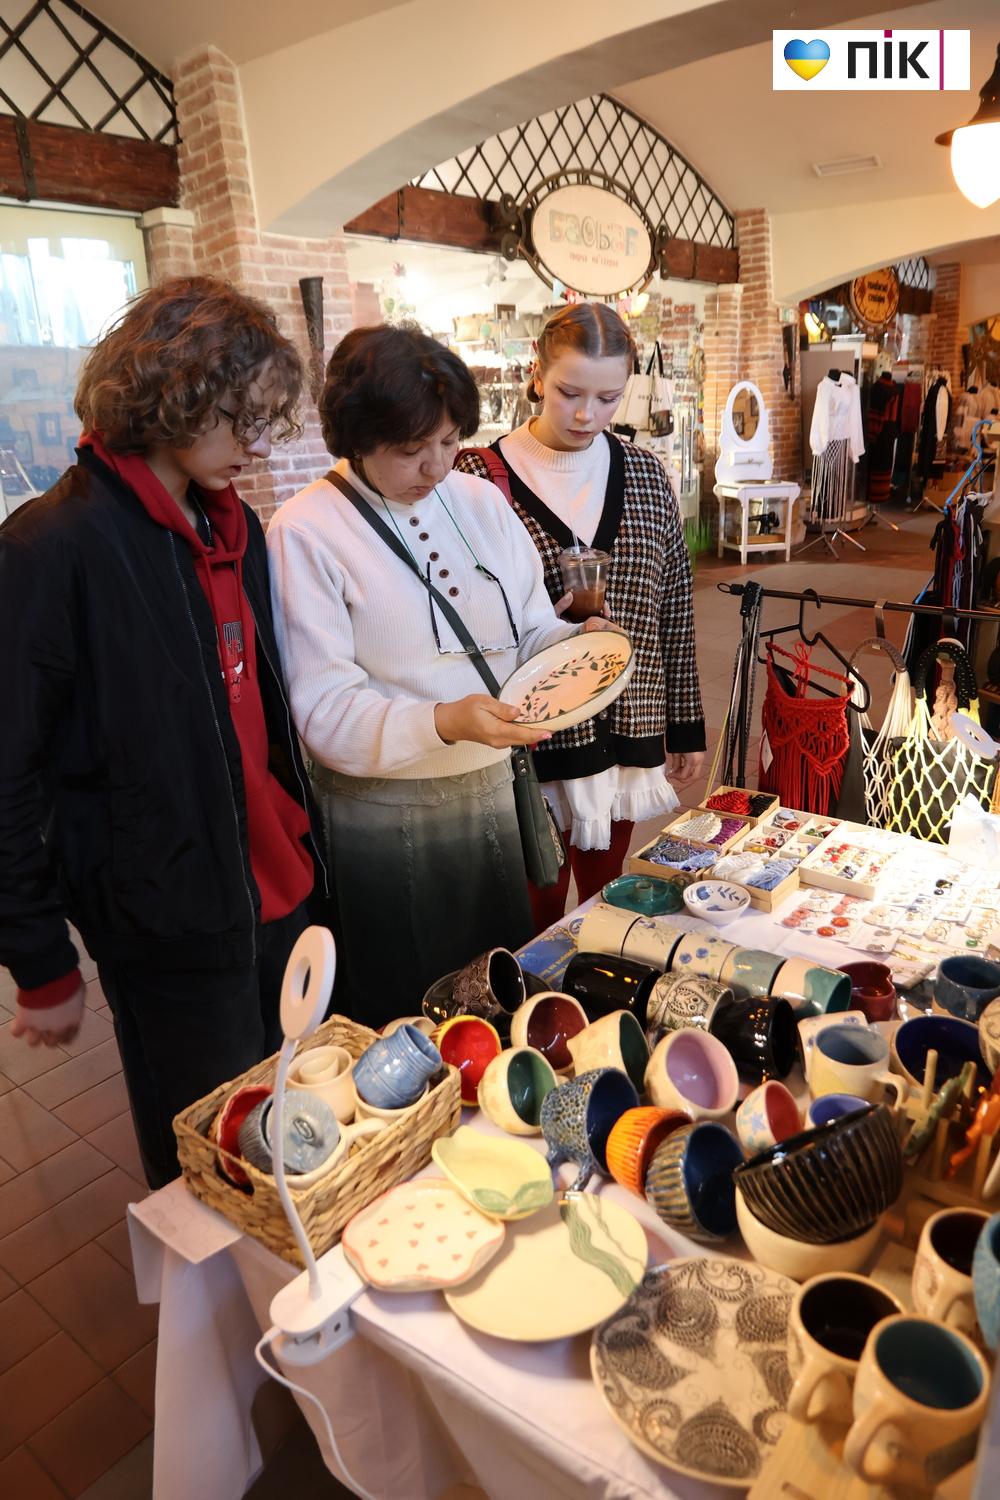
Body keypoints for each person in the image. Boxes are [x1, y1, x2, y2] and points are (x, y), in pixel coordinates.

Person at [0, 276, 329, 1189]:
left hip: (278, 883)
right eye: (238, 419)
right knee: (212, 1167)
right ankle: (217, 1331)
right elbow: (8, 771)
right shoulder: (52, 547)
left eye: (266, 420)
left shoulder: (239, 529)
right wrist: (38, 958)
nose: (258, 447)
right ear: (168, 397)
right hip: (167, 914)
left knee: (293, 1127)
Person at [267, 323, 609, 1024]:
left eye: (450, 442)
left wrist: (577, 644)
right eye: (410, 450)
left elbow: (529, 626)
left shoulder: (479, 501)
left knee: (494, 986)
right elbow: (324, 712)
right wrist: (441, 720)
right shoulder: (305, 531)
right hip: (385, 820)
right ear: (353, 438)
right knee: (408, 1005)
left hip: (489, 798)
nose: (435, 467)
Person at [456, 303, 705, 928]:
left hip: (628, 712)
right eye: (569, 393)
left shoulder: (646, 475)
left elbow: (672, 601)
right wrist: (540, 622)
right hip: (528, 727)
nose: (586, 415)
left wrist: (688, 724)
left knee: (607, 897)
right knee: (531, 902)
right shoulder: (475, 479)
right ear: (536, 374)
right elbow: (455, 614)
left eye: (608, 398)